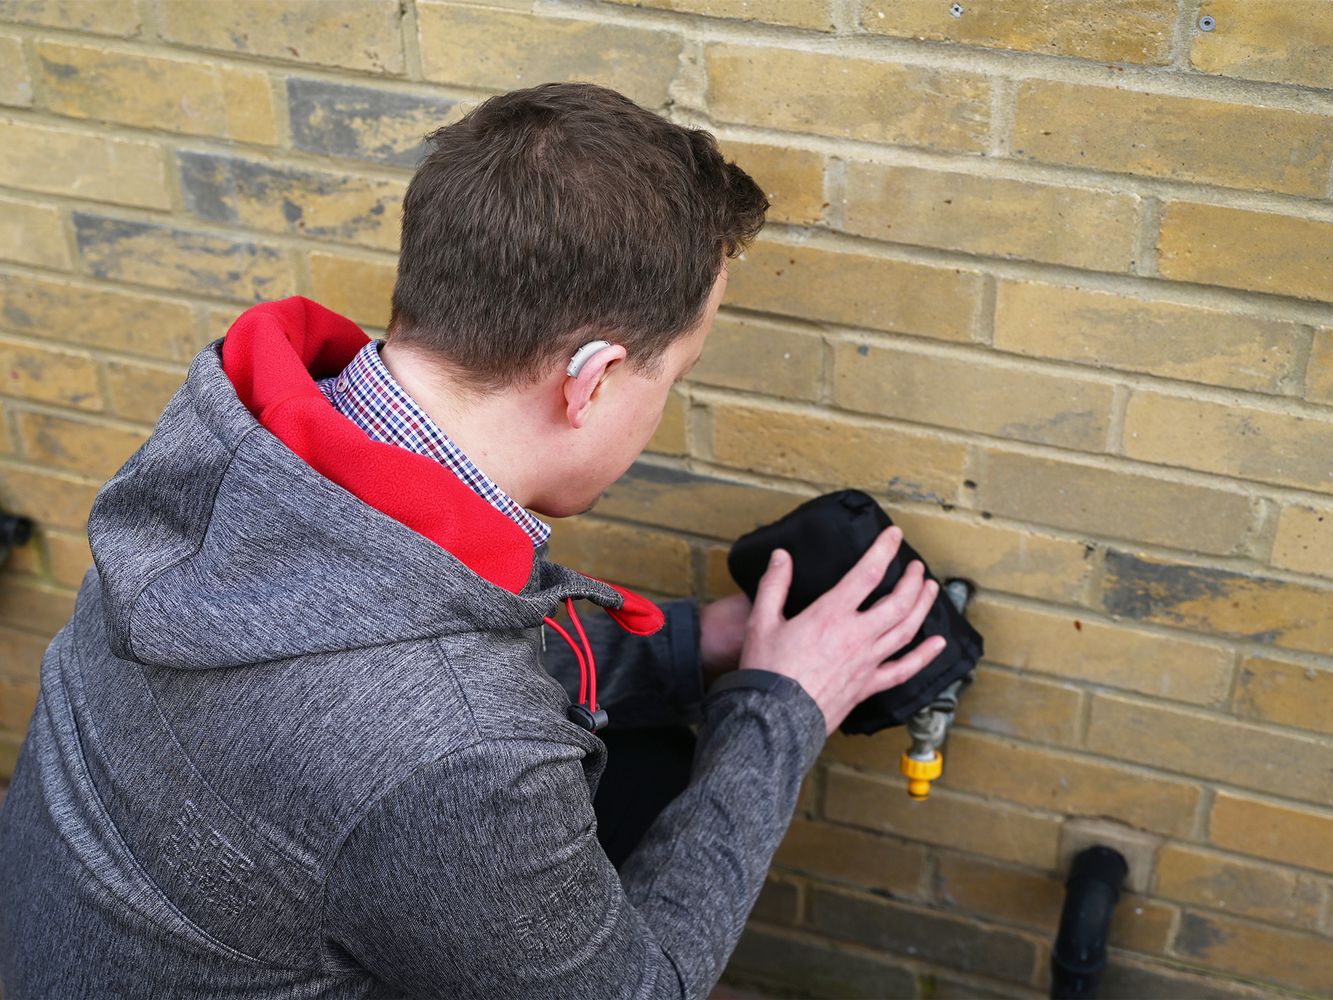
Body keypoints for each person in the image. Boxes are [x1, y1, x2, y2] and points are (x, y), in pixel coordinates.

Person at [0, 82, 945, 998]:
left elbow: (376, 634)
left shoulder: (230, 457)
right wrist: (781, 709)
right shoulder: (463, 755)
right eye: (675, 375)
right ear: (592, 380)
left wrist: (700, 643)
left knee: (643, 760)